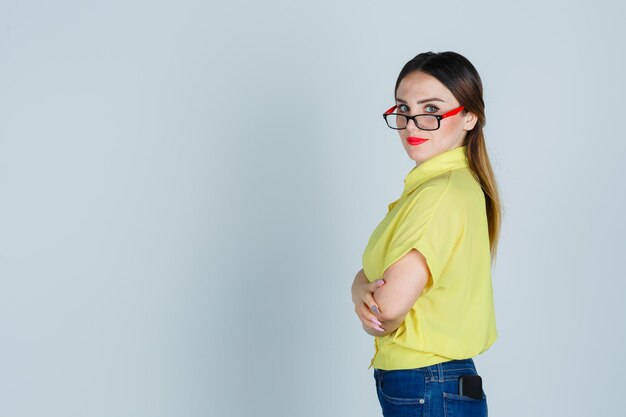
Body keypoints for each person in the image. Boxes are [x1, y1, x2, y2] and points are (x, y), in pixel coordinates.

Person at [351, 51, 501, 417]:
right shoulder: (447, 186)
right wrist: (360, 288)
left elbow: (384, 309)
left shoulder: (441, 194)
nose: (412, 124)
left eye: (431, 110)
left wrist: (364, 295)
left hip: (427, 380)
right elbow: (370, 283)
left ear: (469, 116)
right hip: (434, 381)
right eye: (403, 108)